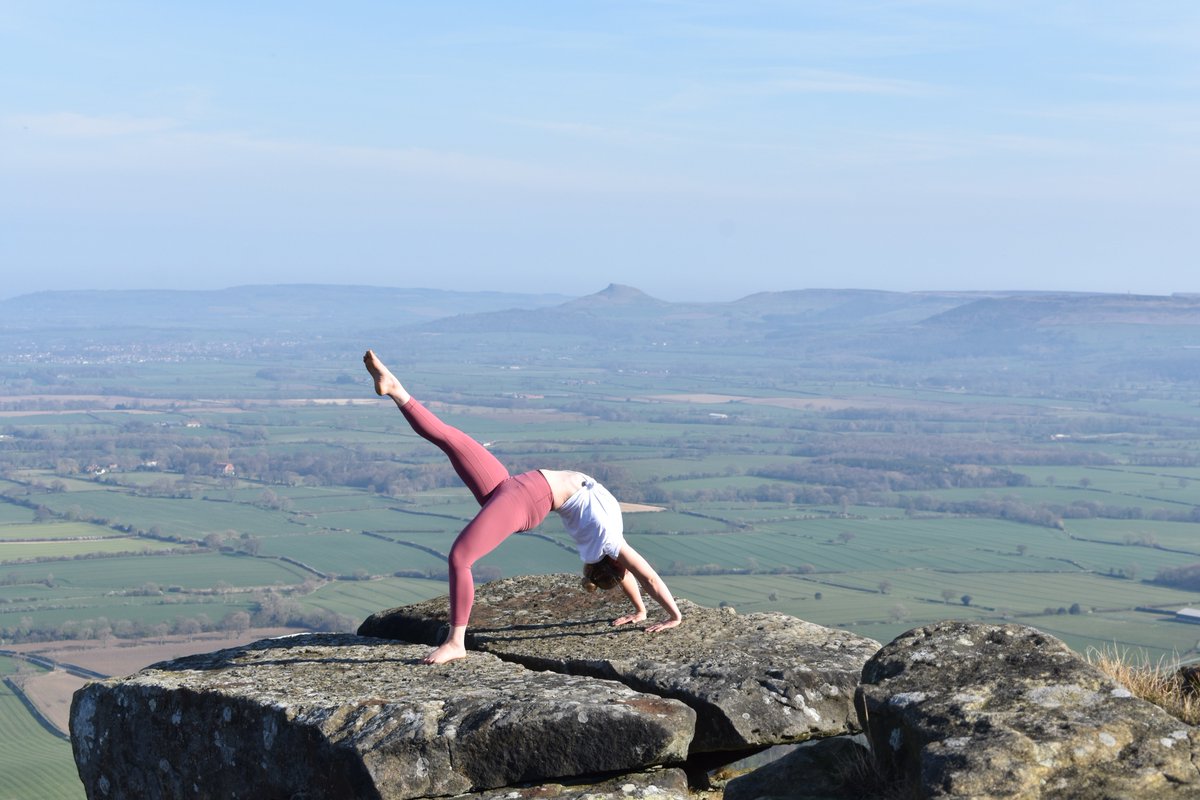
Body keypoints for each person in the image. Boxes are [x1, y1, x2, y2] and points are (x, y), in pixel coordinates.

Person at [364, 350, 683, 664]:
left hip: (524, 499)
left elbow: (649, 578)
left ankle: (456, 642)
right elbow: (634, 577)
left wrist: (674, 616)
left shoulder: (609, 542)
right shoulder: (612, 546)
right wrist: (641, 612)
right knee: (451, 439)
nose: (628, 568)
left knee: (460, 557)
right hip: (514, 487)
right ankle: (395, 388)